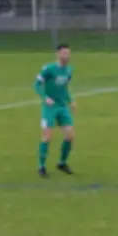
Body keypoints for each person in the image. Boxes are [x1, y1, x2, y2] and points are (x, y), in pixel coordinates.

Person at [35, 44, 76, 178]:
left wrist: (71, 101)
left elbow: (64, 88)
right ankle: (41, 166)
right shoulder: (49, 69)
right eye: (64, 53)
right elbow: (36, 85)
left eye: (68, 53)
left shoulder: (69, 70)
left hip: (62, 106)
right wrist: (45, 97)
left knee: (70, 136)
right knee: (47, 136)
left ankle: (62, 163)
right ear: (57, 54)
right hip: (49, 108)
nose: (67, 56)